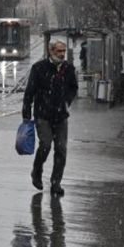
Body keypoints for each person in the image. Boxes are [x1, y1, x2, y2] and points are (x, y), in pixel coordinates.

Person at [22, 40, 78, 197]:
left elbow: (73, 88)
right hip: (43, 115)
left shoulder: (68, 69)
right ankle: (37, 172)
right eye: (59, 51)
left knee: (61, 149)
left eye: (63, 51)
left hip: (61, 116)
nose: (62, 54)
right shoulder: (39, 68)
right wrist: (26, 115)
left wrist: (66, 101)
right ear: (51, 51)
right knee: (45, 145)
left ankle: (56, 183)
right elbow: (29, 92)